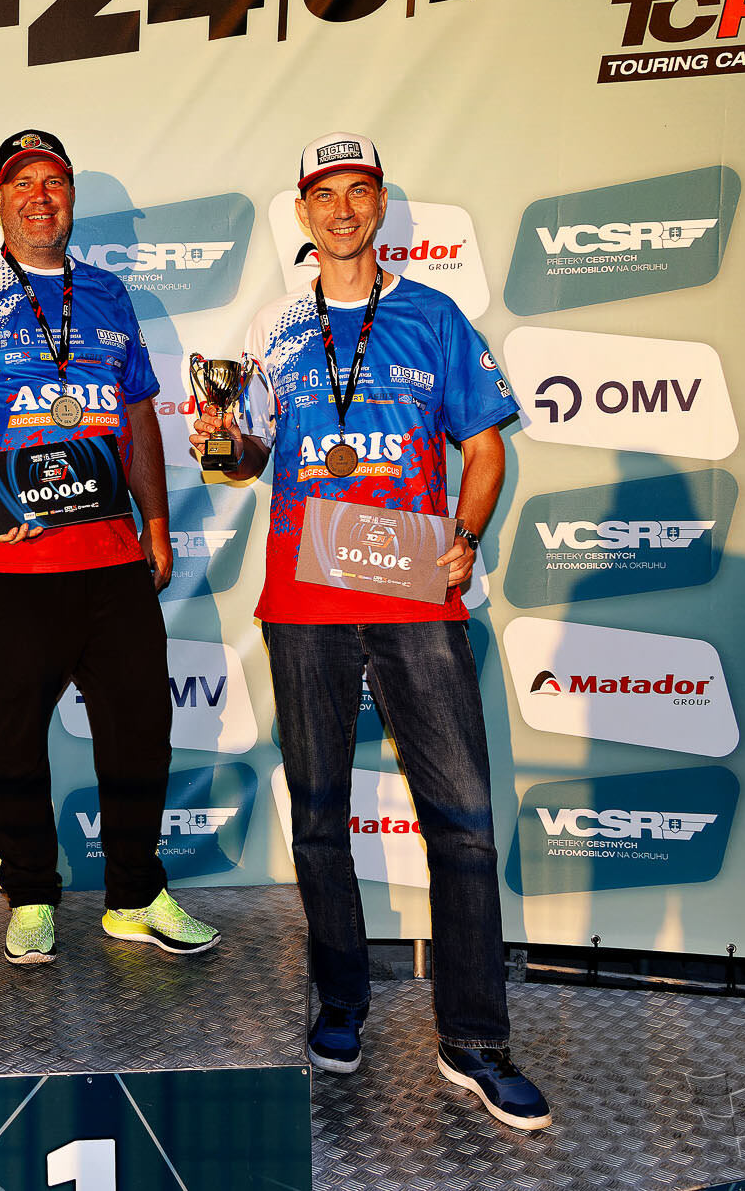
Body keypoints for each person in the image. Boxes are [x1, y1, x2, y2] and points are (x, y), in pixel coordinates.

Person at [190, 132, 549, 1131]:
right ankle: (341, 1000)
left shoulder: (434, 316)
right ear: (302, 213)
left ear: (380, 204)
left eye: (359, 192)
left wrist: (466, 536)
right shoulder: (272, 325)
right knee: (317, 819)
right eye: (325, 195)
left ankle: (474, 1040)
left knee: (464, 825)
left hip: (415, 596)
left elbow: (484, 448)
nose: (342, 210)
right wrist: (221, 438)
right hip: (305, 603)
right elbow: (245, 459)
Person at [0, 128, 219, 966]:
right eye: (23, 183)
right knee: (14, 736)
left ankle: (135, 894)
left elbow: (139, 410)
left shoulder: (110, 294)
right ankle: (32, 895)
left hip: (112, 557)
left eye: (54, 182)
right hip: (10, 561)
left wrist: (157, 523)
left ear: (71, 196)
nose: (40, 197)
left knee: (140, 726)